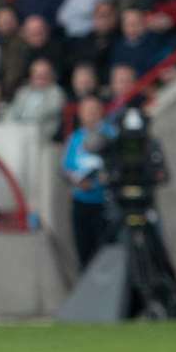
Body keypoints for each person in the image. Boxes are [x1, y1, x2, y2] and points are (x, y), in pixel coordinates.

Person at [63, 97, 113, 269]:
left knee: (106, 256)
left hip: (106, 204)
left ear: (101, 112)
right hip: (81, 203)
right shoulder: (75, 138)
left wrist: (105, 178)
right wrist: (76, 180)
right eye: (87, 111)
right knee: (85, 254)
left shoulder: (111, 134)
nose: (90, 114)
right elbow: (66, 168)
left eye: (94, 110)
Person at [5, 58, 66, 140]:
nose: (40, 76)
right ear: (31, 75)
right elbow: (13, 110)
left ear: (51, 75)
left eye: (44, 73)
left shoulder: (56, 92)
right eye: (37, 73)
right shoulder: (23, 91)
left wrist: (26, 125)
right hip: (19, 133)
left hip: (43, 135)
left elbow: (47, 113)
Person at [109, 6, 168, 77]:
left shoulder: (156, 37)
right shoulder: (118, 50)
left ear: (143, 23)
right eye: (129, 24)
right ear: (122, 27)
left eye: (136, 22)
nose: (133, 27)